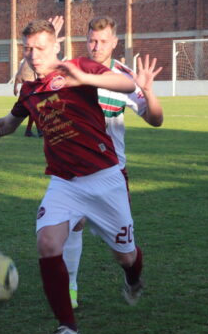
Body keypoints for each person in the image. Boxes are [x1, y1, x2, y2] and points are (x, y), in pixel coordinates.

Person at [0, 19, 146, 334]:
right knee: (47, 243)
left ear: (56, 46)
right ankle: (68, 327)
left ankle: (133, 279)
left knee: (125, 256)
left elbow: (127, 84)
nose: (33, 55)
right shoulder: (30, 91)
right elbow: (5, 125)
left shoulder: (78, 67)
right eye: (27, 49)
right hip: (64, 182)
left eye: (39, 48)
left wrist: (85, 78)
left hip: (105, 179)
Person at [62, 16, 163, 309]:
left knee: (124, 255)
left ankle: (133, 279)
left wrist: (149, 90)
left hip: (112, 173)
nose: (96, 46)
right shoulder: (73, 68)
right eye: (92, 40)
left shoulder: (125, 76)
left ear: (115, 42)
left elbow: (155, 120)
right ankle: (71, 288)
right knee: (74, 224)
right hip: (76, 169)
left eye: (103, 41)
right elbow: (33, 78)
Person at [13, 59, 41, 137]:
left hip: (25, 88)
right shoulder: (33, 60)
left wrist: (15, 87)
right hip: (29, 88)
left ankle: (29, 131)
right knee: (33, 110)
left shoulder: (25, 61)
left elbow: (18, 75)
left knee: (31, 110)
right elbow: (40, 74)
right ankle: (39, 131)